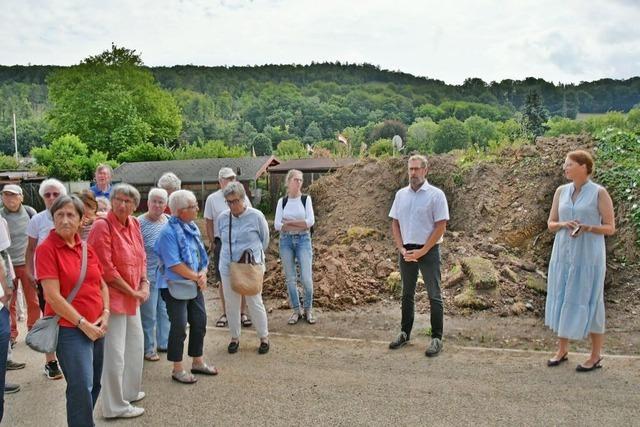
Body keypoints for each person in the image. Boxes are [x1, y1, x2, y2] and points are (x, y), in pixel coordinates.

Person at [36, 195, 110, 427]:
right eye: (60, 215)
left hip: (97, 325)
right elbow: (52, 297)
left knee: (95, 383)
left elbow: (101, 283)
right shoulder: (46, 249)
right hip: (70, 330)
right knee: (80, 387)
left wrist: (106, 313)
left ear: (81, 220)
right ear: (53, 218)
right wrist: (83, 324)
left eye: (71, 215)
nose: (65, 220)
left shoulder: (85, 247)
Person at [545, 150, 615, 372]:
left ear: (584, 166)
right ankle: (562, 349)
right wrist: (564, 225)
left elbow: (610, 227)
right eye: (565, 164)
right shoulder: (561, 191)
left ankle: (595, 355)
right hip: (563, 253)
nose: (565, 168)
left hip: (588, 256)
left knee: (591, 298)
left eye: (569, 164)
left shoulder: (599, 193)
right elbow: (551, 223)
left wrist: (588, 228)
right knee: (564, 294)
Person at [87, 183, 148, 419]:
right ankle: (114, 406)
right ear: (111, 201)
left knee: (135, 346)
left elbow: (141, 257)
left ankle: (129, 392)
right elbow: (106, 269)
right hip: (112, 300)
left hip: (133, 296)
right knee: (115, 354)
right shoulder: (102, 226)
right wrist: (133, 292)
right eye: (119, 200)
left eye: (128, 201)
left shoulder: (134, 223)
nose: (123, 205)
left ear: (135, 205)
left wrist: (144, 284)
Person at [388, 155, 449, 357]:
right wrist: (401, 248)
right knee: (407, 294)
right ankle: (405, 333)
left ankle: (436, 338)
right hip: (406, 250)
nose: (413, 173)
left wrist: (422, 251)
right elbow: (395, 223)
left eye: (416, 169)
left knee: (434, 295)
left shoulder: (436, 195)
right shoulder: (400, 195)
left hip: (428, 250)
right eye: (410, 169)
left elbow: (441, 227)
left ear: (425, 170)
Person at [155, 190, 217, 384]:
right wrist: (197, 277)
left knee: (199, 321)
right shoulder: (167, 233)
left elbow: (201, 255)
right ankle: (177, 368)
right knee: (179, 326)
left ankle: (197, 362)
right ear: (181, 211)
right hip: (173, 286)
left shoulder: (191, 228)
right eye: (193, 206)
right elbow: (173, 264)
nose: (197, 208)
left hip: (192, 283)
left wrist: (203, 272)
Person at [217, 182, 270, 354]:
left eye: (235, 201)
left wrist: (254, 259)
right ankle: (234, 337)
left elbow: (265, 241)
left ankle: (263, 337)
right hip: (228, 266)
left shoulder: (256, 216)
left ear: (243, 198)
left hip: (251, 267)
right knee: (231, 304)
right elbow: (222, 240)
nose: (232, 205)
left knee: (255, 302)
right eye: (228, 202)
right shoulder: (223, 218)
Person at [26, 178, 67, 379]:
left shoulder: (71, 216)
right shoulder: (37, 220)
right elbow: (31, 249)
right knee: (50, 317)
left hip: (69, 278)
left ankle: (72, 357)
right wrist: (29, 271)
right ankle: (51, 362)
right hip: (45, 279)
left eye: (55, 194)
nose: (51, 198)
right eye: (47, 195)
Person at [204, 167, 253, 328]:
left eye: (233, 178)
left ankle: (242, 312)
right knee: (222, 280)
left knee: (242, 278)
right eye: (227, 178)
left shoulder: (242, 196)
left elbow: (250, 215)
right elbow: (209, 222)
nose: (231, 181)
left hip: (241, 243)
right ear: (220, 181)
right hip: (222, 243)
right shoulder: (212, 199)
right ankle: (226, 313)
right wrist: (213, 241)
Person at [274, 169, 316, 324]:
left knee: (306, 278)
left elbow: (310, 222)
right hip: (286, 241)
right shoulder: (282, 202)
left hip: (304, 240)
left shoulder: (306, 199)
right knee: (291, 279)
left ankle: (308, 309)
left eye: (300, 180)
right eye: (296, 180)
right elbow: (278, 225)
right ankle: (296, 311)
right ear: (288, 181)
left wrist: (289, 223)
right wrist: (299, 224)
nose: (299, 183)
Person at [0, 184, 38, 350]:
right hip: (8, 266)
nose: (10, 199)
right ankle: (11, 335)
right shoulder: (0, 216)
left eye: (14, 195)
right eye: (6, 195)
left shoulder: (30, 212)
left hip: (28, 264)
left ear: (21, 197)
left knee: (33, 301)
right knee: (9, 302)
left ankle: (34, 331)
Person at [138, 188, 170, 361]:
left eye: (161, 202)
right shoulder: (139, 223)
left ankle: (164, 342)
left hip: (165, 275)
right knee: (148, 313)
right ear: (148, 203)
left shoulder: (169, 221)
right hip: (147, 276)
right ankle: (148, 348)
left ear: (166, 205)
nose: (157, 205)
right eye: (154, 201)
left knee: (164, 310)